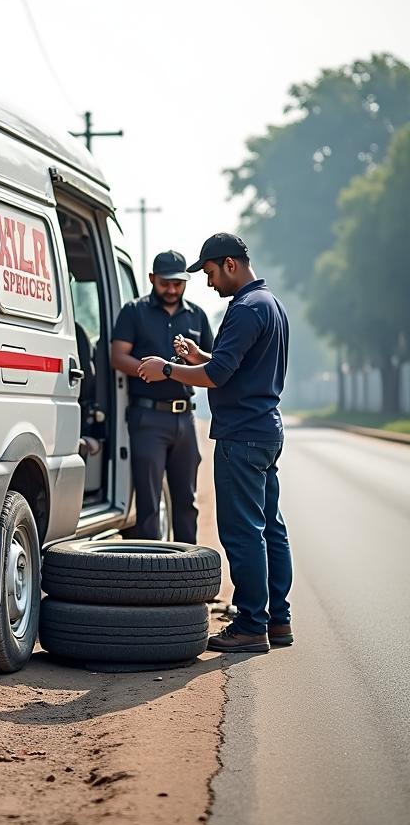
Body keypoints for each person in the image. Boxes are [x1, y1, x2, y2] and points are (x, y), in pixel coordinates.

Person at [136, 233, 291, 654]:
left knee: (243, 533)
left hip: (241, 435)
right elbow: (233, 367)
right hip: (264, 430)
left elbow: (218, 378)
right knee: (270, 529)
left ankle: (250, 625)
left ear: (229, 264)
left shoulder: (244, 310)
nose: (208, 284)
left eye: (208, 273)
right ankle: (278, 620)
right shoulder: (270, 305)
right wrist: (198, 356)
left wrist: (166, 368)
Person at [112, 250, 214, 543]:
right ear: (152, 279)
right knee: (148, 505)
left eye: (178, 284)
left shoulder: (197, 315)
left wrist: (175, 367)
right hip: (148, 418)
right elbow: (118, 357)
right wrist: (149, 370)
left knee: (186, 502)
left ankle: (189, 572)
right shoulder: (134, 311)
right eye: (165, 283)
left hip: (185, 418)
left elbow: (213, 365)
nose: (171, 290)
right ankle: (151, 577)